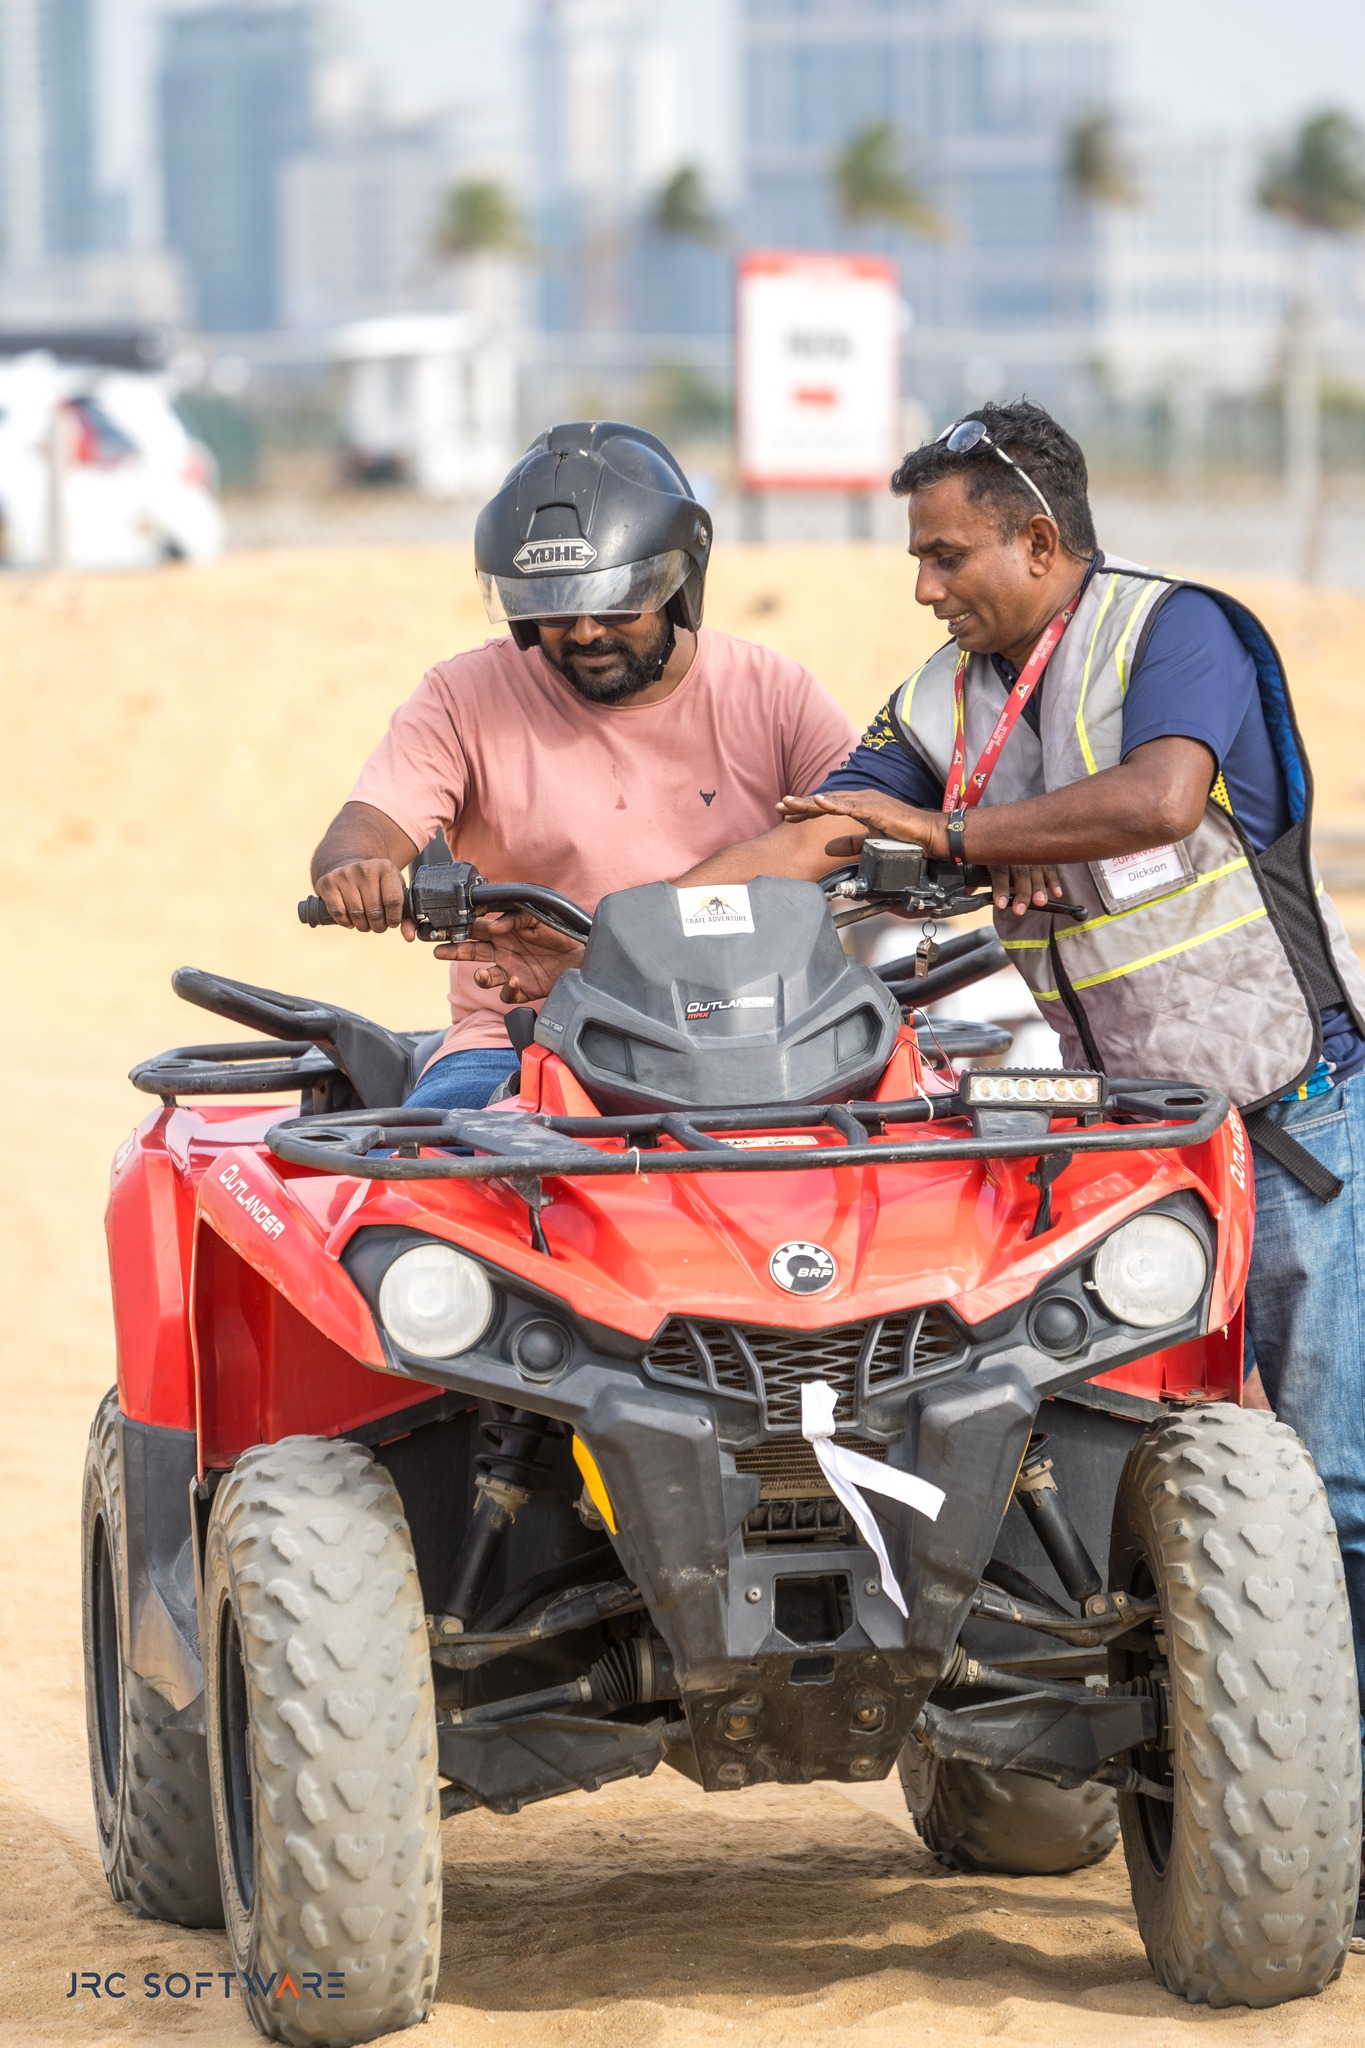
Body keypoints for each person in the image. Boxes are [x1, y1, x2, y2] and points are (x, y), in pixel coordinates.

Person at [681, 400, 1365, 1796]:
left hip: (1293, 1123)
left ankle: (1335, 1828)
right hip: (1131, 1154)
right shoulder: (946, 695)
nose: (923, 587)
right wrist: (626, 934)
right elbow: (821, 832)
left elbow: (1162, 799)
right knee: (1121, 1471)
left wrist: (948, 835)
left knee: (1337, 1489)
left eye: (943, 556)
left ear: (1037, 541)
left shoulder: (1179, 632)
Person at [310, 419, 855, 1107]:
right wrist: (356, 869)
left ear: (679, 582)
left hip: (761, 1034)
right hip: (521, 1037)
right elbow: (367, 825)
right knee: (429, 1183)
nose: (587, 631)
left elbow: (855, 828)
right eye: (554, 607)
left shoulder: (775, 695)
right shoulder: (463, 696)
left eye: (616, 603)